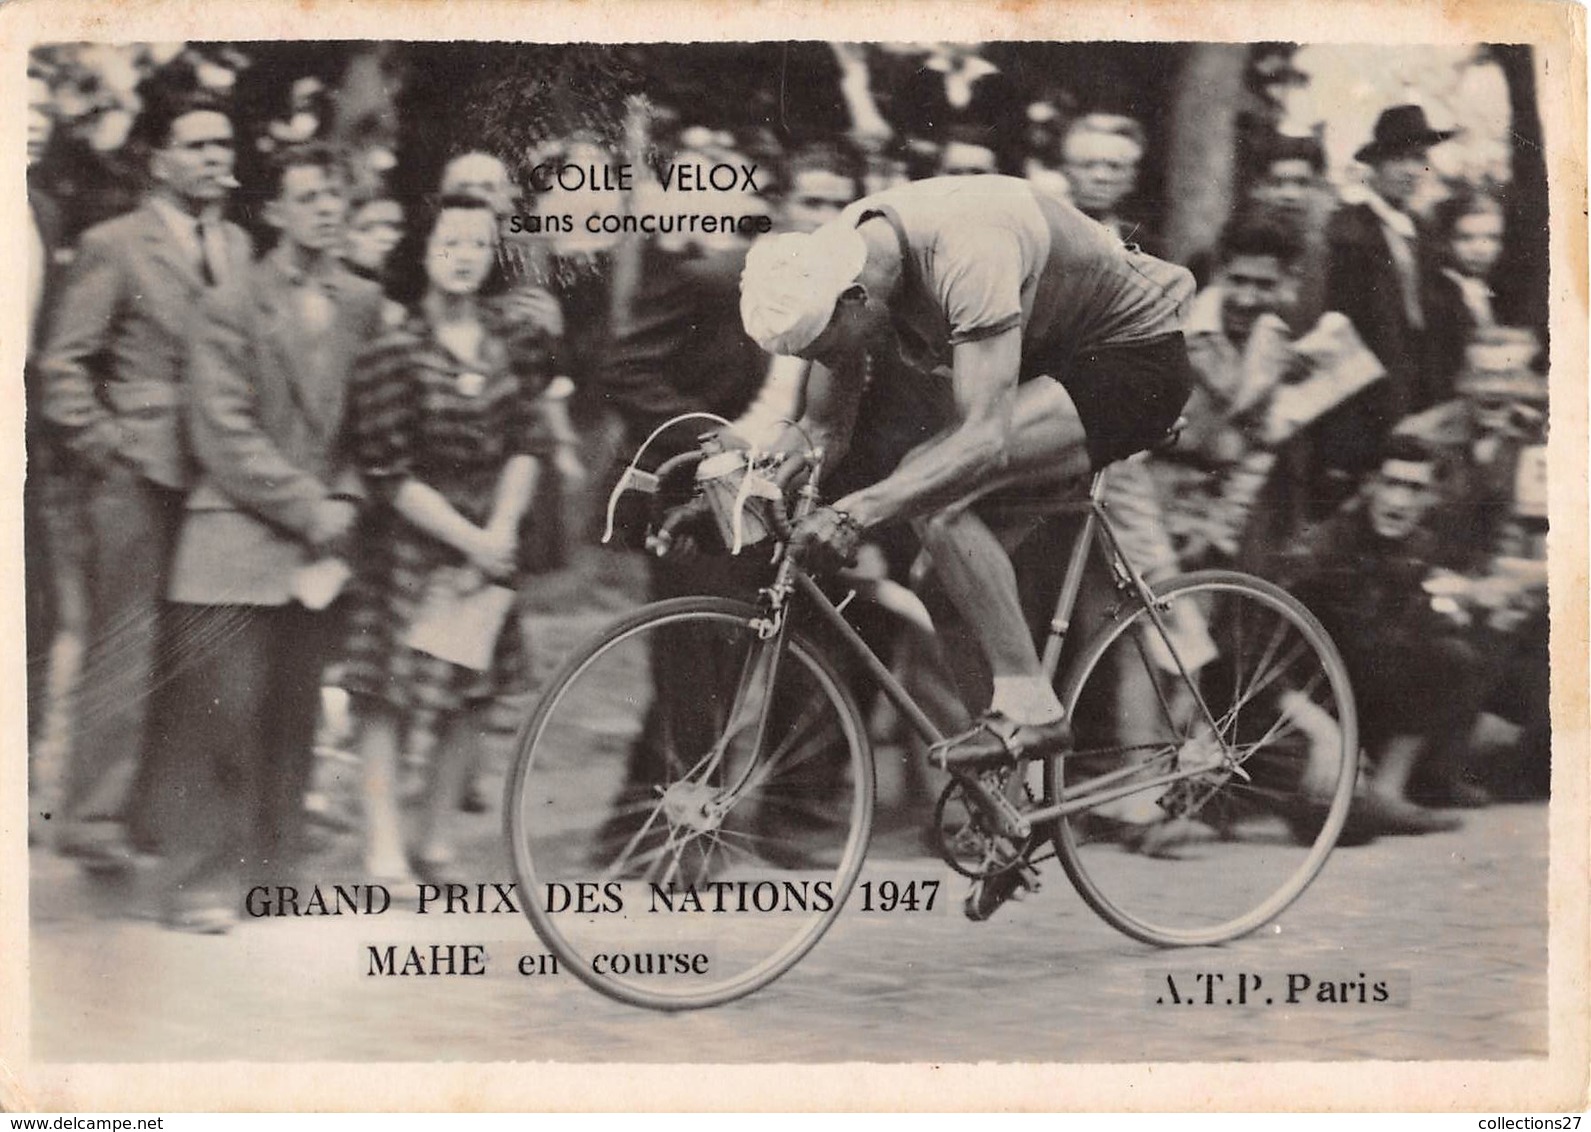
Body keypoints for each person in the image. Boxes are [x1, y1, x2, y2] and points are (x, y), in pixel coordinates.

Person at [731, 174, 1195, 917]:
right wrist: (750, 471)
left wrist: (853, 517)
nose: (829, 360)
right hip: (1053, 359)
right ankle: (1006, 814)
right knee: (936, 578)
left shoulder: (965, 250)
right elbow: (821, 433)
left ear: (856, 300)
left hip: (1132, 359)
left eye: (827, 346)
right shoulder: (840, 263)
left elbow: (981, 438)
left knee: (934, 496)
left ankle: (1031, 707)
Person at [156, 145, 385, 932]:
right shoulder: (229, 304)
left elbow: (368, 424)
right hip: (233, 545)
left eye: (337, 195)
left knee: (295, 718)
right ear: (275, 212)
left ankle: (274, 877)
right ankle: (199, 885)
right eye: (309, 195)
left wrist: (348, 496)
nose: (327, 208)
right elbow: (221, 432)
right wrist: (312, 507)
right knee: (222, 718)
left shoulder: (362, 303)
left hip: (319, 550)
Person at [40, 87, 251, 873]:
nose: (214, 158)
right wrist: (105, 446)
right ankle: (92, 818)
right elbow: (63, 364)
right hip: (135, 472)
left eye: (222, 144)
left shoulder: (238, 247)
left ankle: (156, 819)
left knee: (189, 650)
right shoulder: (116, 244)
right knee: (124, 643)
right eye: (196, 145)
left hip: (214, 478)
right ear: (158, 161)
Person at [342, 194, 554, 882]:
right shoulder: (392, 349)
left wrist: (498, 532)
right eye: (449, 242)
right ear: (423, 253)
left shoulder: (509, 341)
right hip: (413, 538)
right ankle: (382, 847)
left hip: (489, 534)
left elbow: (529, 440)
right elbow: (386, 472)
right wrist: (468, 539)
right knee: (389, 697)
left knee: (474, 691)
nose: (463, 257)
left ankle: (434, 840)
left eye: (476, 244)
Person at [1268, 436, 1480, 835]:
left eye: (1414, 488)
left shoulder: (1420, 546)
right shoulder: (1319, 551)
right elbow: (1251, 655)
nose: (1398, 502)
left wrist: (1456, 604)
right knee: (1344, 827)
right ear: (1369, 485)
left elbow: (1416, 648)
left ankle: (1388, 790)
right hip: (1293, 711)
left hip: (1357, 704)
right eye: (1390, 483)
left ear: (1432, 498)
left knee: (1453, 652)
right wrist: (1322, 731)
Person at [1315, 104, 1454, 494]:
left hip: (1418, 403)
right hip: (1365, 407)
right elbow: (1339, 338)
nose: (1412, 171)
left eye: (1420, 159)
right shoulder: (1348, 231)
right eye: (1399, 159)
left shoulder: (1424, 235)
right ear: (1375, 164)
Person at [1060, 112, 1154, 251]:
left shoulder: (1144, 244)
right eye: (1087, 165)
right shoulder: (1041, 235)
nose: (1100, 177)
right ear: (1067, 172)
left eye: (1115, 166)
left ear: (1132, 178)